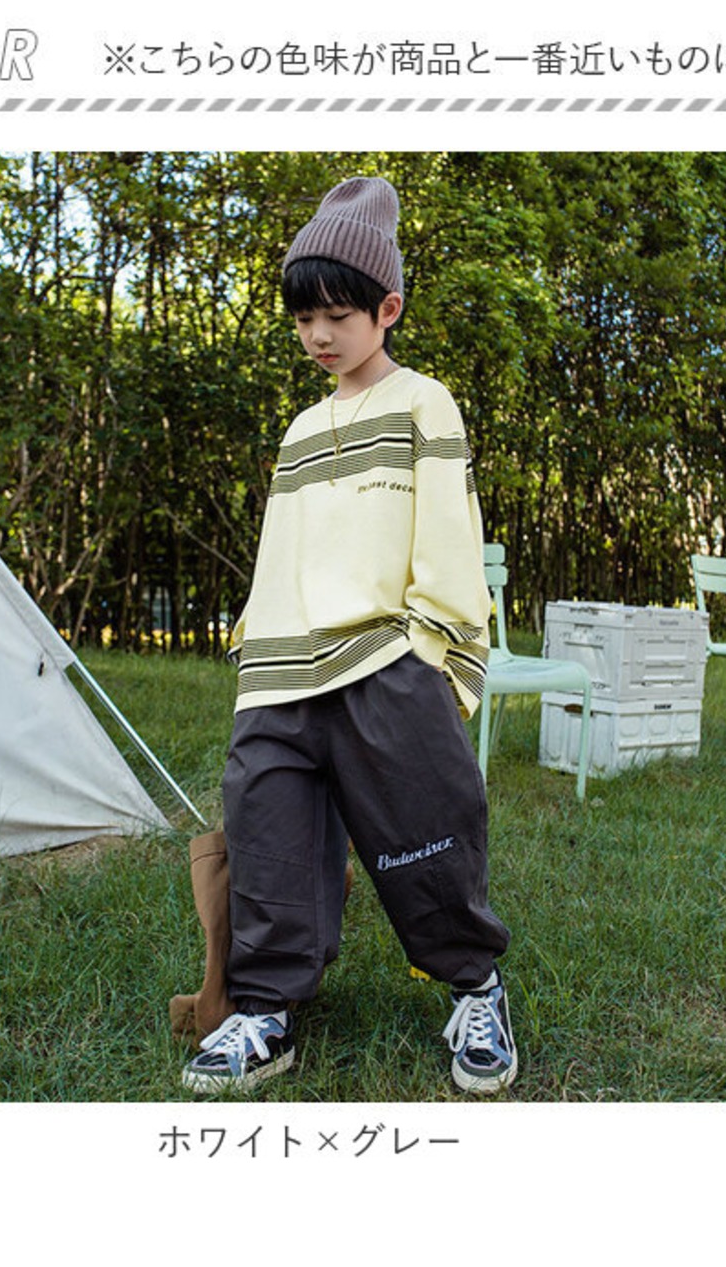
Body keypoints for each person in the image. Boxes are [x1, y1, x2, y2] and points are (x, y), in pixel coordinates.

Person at [181, 177, 515, 1096]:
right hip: (280, 673)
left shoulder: (423, 403)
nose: (319, 335)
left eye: (337, 315)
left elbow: (446, 528)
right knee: (269, 841)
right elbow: (282, 548)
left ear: (387, 309)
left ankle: (475, 987)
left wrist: (434, 653)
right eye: (304, 318)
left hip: (385, 660)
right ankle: (265, 1012)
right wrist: (254, 647)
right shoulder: (299, 429)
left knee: (426, 836)